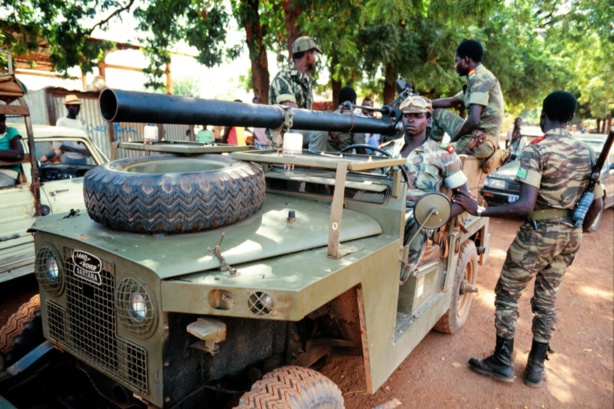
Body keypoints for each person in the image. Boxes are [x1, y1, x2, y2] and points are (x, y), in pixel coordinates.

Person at [454, 91, 604, 388]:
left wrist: (481, 209)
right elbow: (598, 204)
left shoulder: (536, 151)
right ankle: (535, 367)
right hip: (569, 236)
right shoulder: (587, 153)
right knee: (547, 299)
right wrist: (578, 228)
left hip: (538, 234)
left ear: (542, 116)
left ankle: (502, 361)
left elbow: (524, 205)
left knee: (508, 293)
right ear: (572, 118)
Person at [382, 95, 472, 281]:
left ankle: (398, 279)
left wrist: (436, 217)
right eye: (407, 116)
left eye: (418, 115)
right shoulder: (387, 150)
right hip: (386, 210)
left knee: (416, 223)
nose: (411, 120)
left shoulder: (442, 155)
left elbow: (465, 198)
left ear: (429, 120)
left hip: (420, 218)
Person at [430, 39, 507, 172]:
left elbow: (473, 120)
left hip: (480, 143)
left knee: (431, 154)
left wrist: (452, 141)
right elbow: (451, 101)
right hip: (476, 135)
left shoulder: (480, 79)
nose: (455, 65)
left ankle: (433, 148)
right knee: (437, 113)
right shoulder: (475, 79)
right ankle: (432, 144)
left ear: (466, 60)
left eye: (456, 61)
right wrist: (422, 102)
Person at [268, 36, 327, 151]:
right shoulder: (284, 77)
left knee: (333, 143)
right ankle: (312, 167)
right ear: (308, 55)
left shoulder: (306, 80)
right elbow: (292, 114)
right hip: (284, 136)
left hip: (301, 132)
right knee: (321, 130)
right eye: (315, 55)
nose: (316, 59)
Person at [53, 94, 90, 164]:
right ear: (67, 107)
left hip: (82, 159)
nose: (77, 108)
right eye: (74, 106)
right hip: (71, 159)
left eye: (78, 106)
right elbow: (57, 145)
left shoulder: (79, 122)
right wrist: (80, 150)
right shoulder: (62, 121)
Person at [0, 114, 24, 187]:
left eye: (3, 120)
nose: (2, 123)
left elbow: (18, 154)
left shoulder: (10, 131)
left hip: (7, 173)